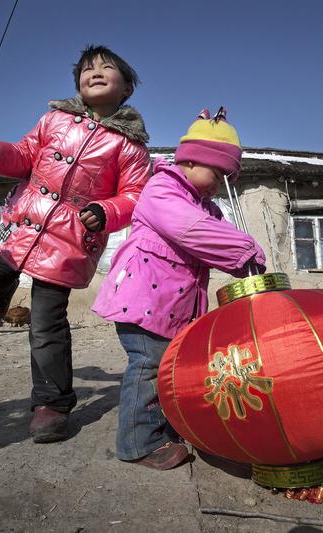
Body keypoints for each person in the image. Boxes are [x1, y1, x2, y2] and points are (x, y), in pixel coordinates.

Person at [0, 45, 152, 443]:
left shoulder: (130, 146)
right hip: (21, 222)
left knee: (47, 322)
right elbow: (25, 154)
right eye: (87, 69)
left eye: (106, 68)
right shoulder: (55, 120)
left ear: (127, 88)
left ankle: (51, 404)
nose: (94, 72)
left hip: (69, 240)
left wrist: (106, 210)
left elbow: (135, 195)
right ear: (78, 85)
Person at [92, 108, 267, 469]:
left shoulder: (205, 207)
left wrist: (245, 264)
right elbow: (194, 231)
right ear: (191, 160)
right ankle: (138, 443)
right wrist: (245, 250)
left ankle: (167, 429)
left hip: (172, 310)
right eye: (217, 173)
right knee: (149, 367)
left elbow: (217, 234)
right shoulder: (162, 190)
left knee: (170, 370)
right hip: (144, 304)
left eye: (227, 177)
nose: (220, 183)